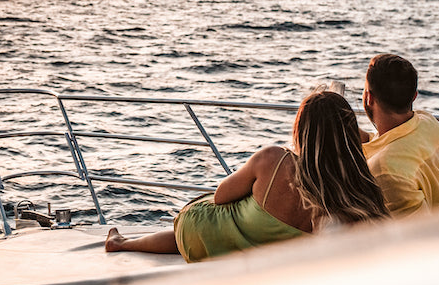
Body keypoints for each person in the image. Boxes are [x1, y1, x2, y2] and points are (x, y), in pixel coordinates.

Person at [105, 90, 389, 262]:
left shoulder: (274, 159)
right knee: (230, 224)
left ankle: (122, 243)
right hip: (257, 244)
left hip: (206, 229)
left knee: (206, 219)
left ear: (301, 130)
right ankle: (123, 243)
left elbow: (220, 196)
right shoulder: (354, 192)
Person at [361, 53, 439, 217]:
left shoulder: (385, 171)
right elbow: (393, 144)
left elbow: (417, 235)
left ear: (368, 98)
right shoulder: (427, 122)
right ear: (414, 96)